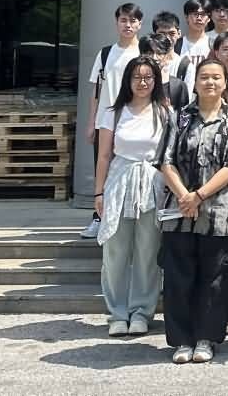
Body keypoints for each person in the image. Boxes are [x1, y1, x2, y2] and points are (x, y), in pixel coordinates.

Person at [157, 57, 228, 364]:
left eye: (216, 77)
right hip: (179, 212)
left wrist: (199, 195)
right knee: (178, 278)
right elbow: (165, 161)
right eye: (204, 77)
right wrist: (185, 196)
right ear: (195, 83)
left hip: (219, 214)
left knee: (214, 280)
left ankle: (205, 338)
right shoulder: (179, 118)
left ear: (225, 83)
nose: (210, 82)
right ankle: (181, 340)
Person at [95, 55, 168, 338]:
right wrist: (99, 192)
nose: (142, 82)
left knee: (148, 252)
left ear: (156, 81)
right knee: (115, 251)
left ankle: (141, 312)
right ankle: (117, 312)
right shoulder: (113, 112)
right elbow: (103, 156)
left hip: (152, 184)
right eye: (137, 77)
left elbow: (168, 156)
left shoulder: (164, 112)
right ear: (128, 80)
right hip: (119, 183)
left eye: (148, 77)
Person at [84, 2, 143, 238]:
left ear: (140, 24)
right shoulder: (106, 53)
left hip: (134, 122)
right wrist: (91, 122)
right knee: (103, 168)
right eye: (123, 20)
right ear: (116, 23)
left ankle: (126, 219)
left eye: (132, 20)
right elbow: (96, 91)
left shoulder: (143, 53)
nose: (128, 25)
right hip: (106, 121)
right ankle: (99, 217)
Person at [176, 0, 213, 97]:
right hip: (181, 95)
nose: (199, 18)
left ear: (209, 18)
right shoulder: (176, 45)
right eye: (195, 14)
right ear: (186, 17)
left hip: (207, 94)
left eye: (203, 14)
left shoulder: (214, 45)